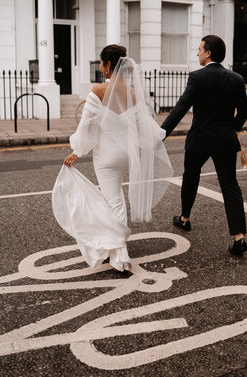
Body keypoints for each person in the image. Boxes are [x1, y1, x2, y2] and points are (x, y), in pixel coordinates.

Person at [52, 45, 173, 273]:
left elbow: (87, 126)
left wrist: (77, 150)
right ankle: (114, 249)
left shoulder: (98, 91)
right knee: (115, 200)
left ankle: (121, 257)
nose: (100, 67)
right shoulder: (133, 94)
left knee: (114, 201)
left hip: (106, 157)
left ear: (108, 65)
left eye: (101, 62)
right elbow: (143, 127)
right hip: (127, 155)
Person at [161, 35, 247, 256]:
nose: (197, 53)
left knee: (191, 177)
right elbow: (244, 112)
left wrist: (161, 133)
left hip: (199, 139)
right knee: (230, 186)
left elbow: (181, 108)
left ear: (208, 53)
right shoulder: (236, 78)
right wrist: (232, 129)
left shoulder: (197, 77)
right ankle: (239, 238)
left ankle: (185, 218)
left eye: (200, 49)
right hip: (225, 140)